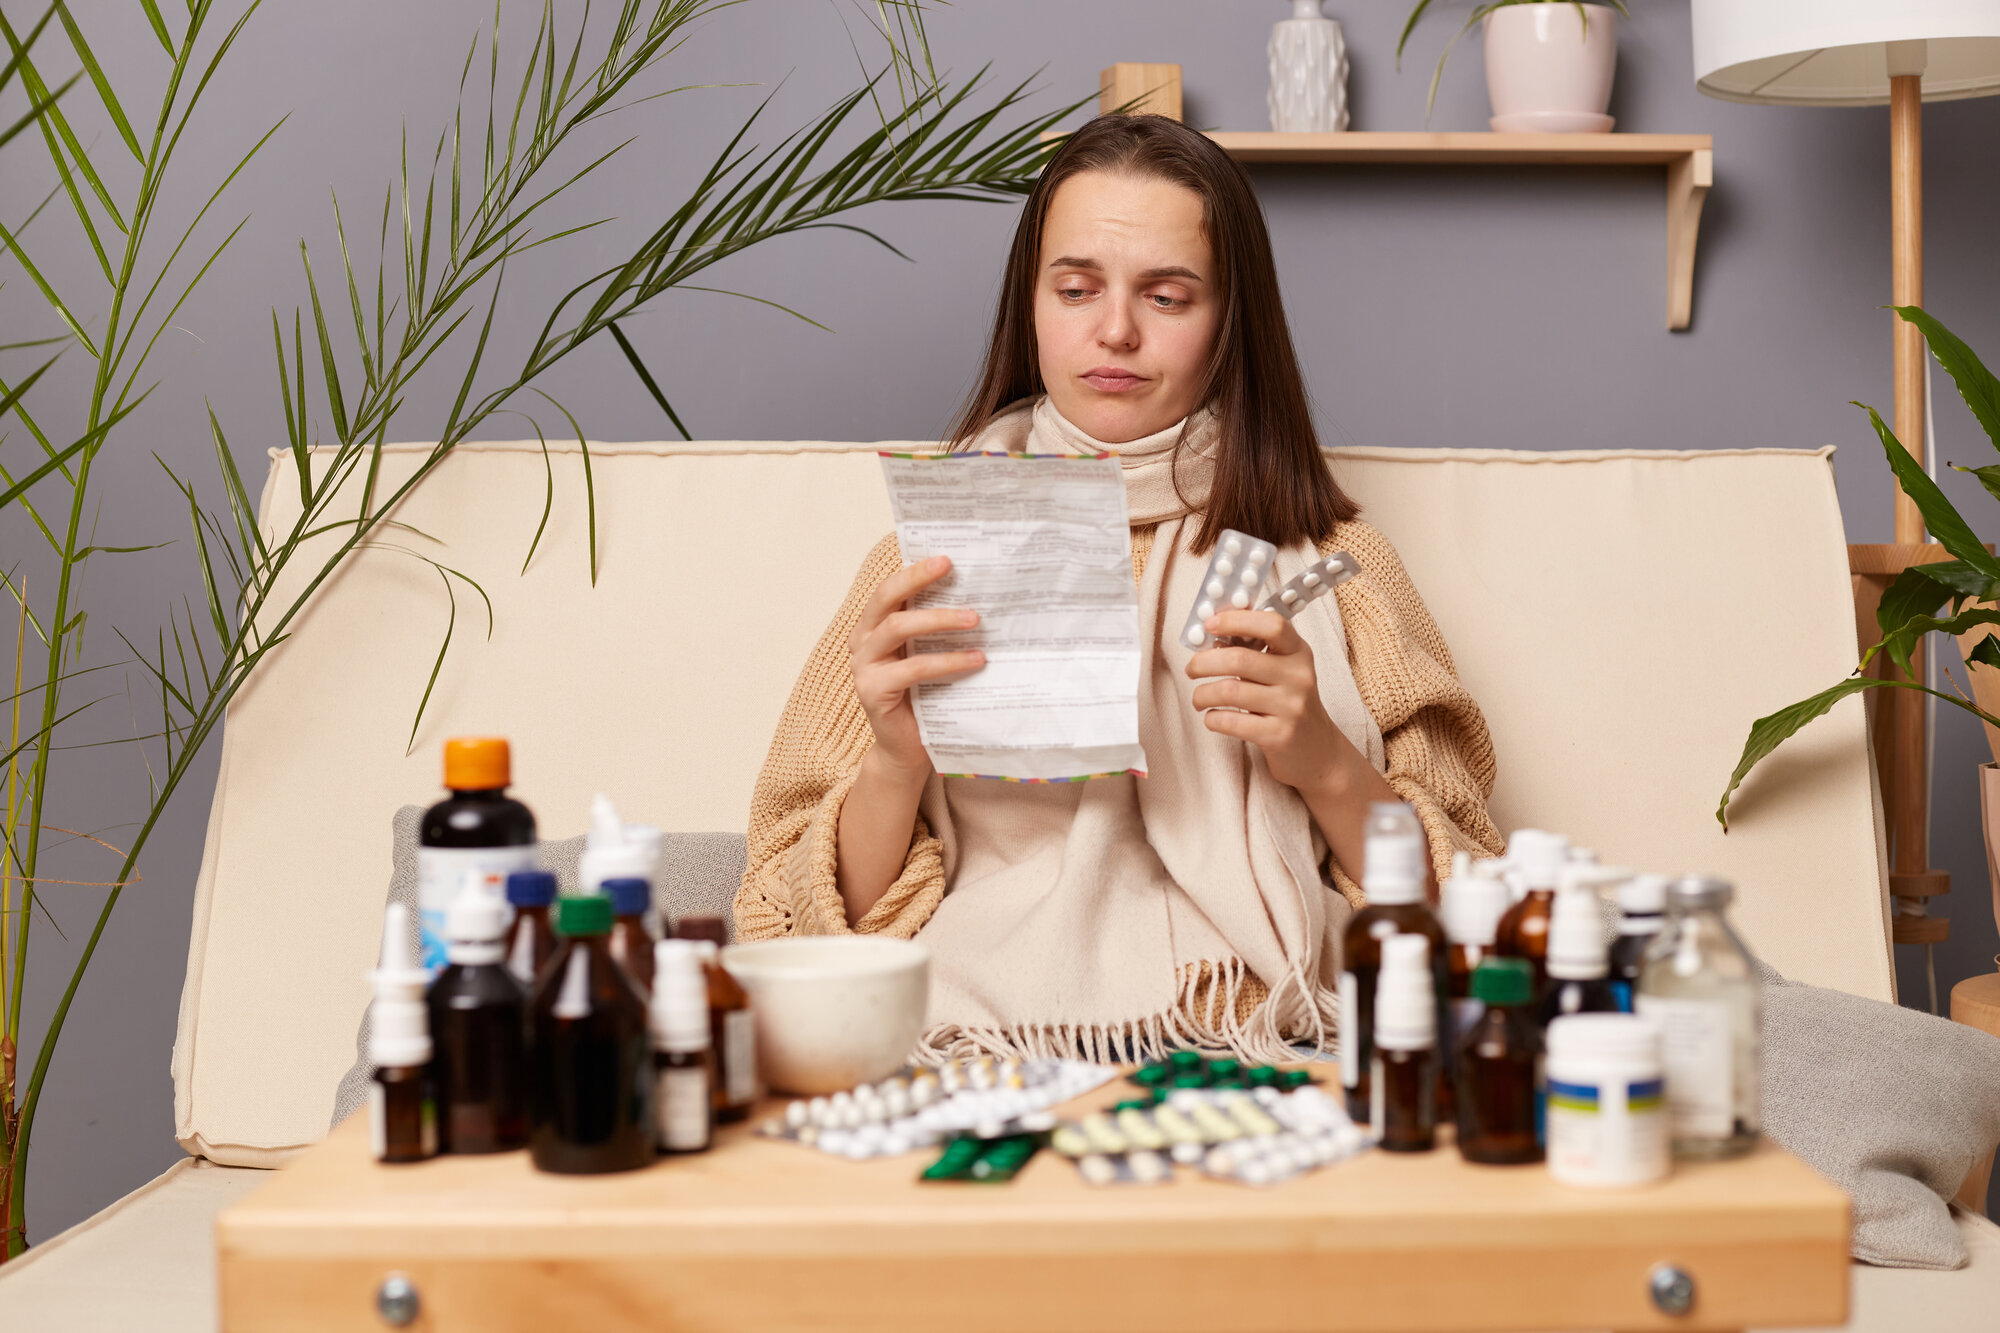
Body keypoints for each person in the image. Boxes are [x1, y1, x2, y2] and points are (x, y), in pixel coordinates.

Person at [734, 114, 1502, 1062]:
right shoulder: (925, 556)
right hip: (973, 1040)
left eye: (1168, 296)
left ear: (1230, 322)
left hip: (1250, 1033)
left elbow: (1471, 901)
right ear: (1033, 305)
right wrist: (895, 759)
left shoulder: (1336, 558)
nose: (1115, 330)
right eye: (1076, 287)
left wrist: (1321, 757)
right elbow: (787, 922)